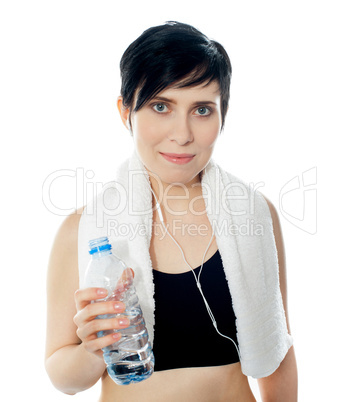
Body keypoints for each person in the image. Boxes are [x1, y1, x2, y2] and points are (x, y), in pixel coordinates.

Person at [45, 21, 298, 401]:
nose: (182, 134)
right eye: (160, 106)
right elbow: (63, 377)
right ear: (125, 111)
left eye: (201, 109)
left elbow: (278, 351)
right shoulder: (83, 230)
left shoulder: (255, 214)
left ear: (222, 115)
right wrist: (95, 346)